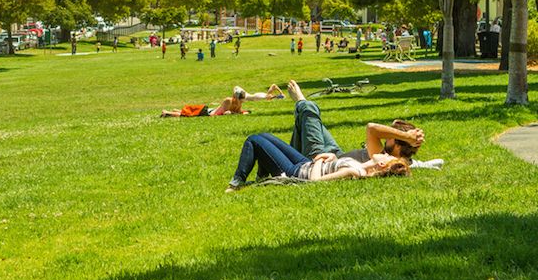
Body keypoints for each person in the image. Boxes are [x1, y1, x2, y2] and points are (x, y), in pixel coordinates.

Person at [285, 80, 424, 162]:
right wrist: (412, 137)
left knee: (309, 108)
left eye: (391, 137)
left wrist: (406, 136)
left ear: (399, 146)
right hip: (335, 152)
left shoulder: (382, 157)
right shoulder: (405, 159)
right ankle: (291, 153)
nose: (387, 137)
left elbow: (372, 128)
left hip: (319, 158)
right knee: (308, 119)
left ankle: (301, 101)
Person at [225, 132, 411, 192]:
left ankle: (236, 184)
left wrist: (320, 162)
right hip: (305, 163)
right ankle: (261, 178)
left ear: (381, 165)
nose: (384, 153)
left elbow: (314, 182)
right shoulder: (362, 167)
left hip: (296, 171)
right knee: (264, 136)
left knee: (254, 140)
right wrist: (332, 157)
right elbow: (336, 166)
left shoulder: (356, 172)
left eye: (387, 156)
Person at [161, 84, 285, 118]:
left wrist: (244, 112)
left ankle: (173, 111)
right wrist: (227, 114)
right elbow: (215, 114)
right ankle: (167, 113)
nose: (242, 102)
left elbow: (237, 111)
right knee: (186, 114)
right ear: (236, 98)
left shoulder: (239, 102)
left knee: (186, 112)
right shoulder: (228, 101)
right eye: (241, 100)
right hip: (208, 112)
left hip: (210, 111)